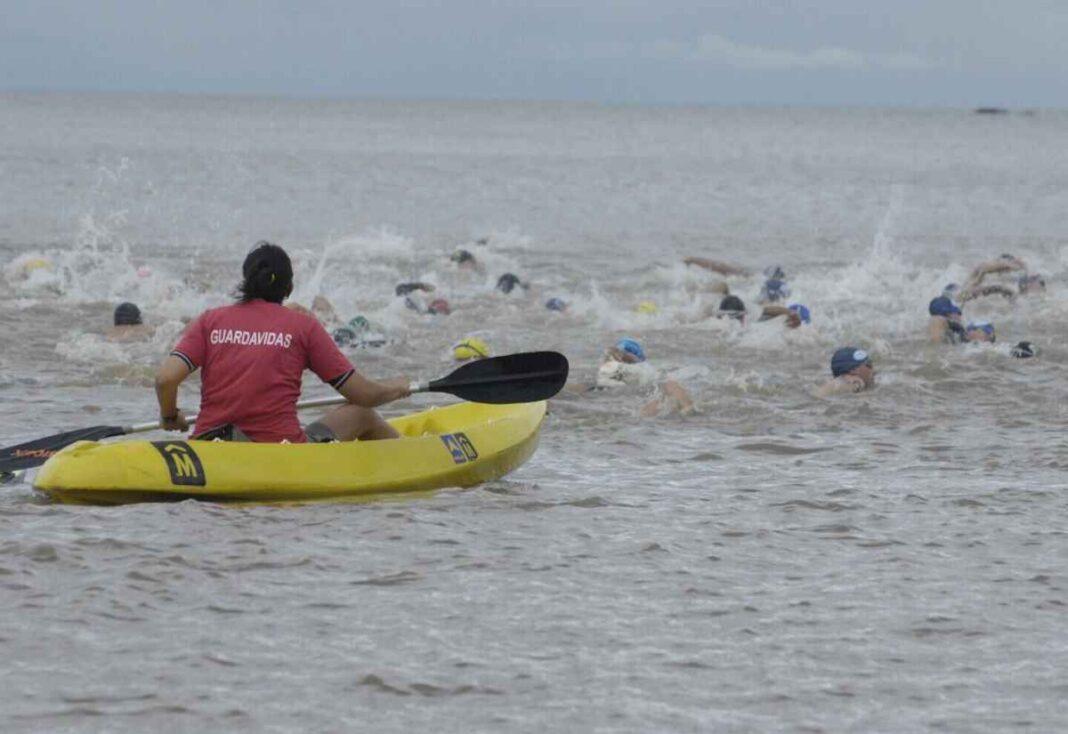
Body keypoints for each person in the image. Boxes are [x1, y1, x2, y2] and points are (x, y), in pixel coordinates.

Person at [155, 241, 410, 443]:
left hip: (209, 444)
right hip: (280, 452)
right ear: (289, 288)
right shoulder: (303, 326)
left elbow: (166, 379)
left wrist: (169, 416)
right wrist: (396, 388)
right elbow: (363, 395)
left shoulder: (210, 321)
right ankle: (409, 459)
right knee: (361, 413)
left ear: (246, 281)